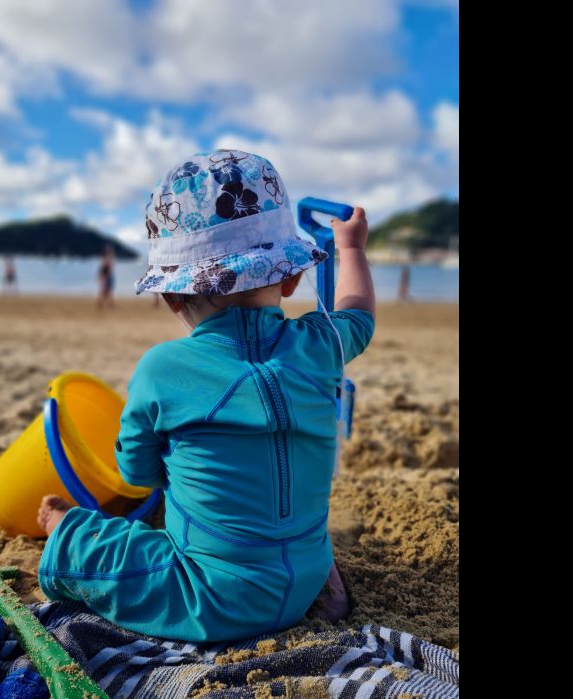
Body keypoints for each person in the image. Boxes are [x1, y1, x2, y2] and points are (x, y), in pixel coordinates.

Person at [37, 150, 375, 642]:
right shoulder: (321, 345)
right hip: (303, 581)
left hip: (209, 595)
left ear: (171, 295)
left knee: (115, 549)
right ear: (291, 277)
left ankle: (61, 531)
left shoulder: (161, 369)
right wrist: (353, 251)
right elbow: (359, 315)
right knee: (292, 530)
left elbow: (136, 474)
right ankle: (317, 580)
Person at [97, 244, 116, 309]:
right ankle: (103, 304)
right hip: (107, 277)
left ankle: (108, 304)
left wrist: (101, 276)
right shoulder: (106, 260)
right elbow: (103, 270)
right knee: (105, 291)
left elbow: (103, 270)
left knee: (107, 291)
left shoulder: (108, 259)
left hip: (108, 277)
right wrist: (103, 277)